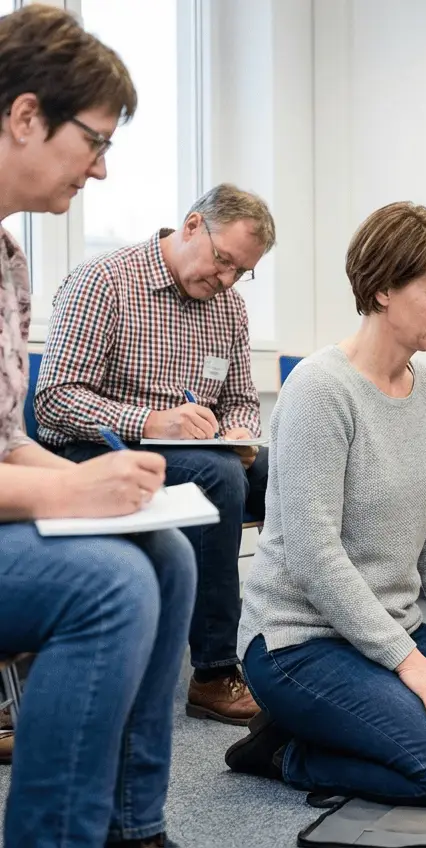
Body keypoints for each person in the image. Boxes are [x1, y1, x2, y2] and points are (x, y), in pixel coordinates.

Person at [224, 201, 426, 806]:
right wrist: (406, 660)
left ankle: (362, 720)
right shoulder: (320, 392)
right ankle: (284, 750)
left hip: (391, 629)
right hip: (300, 643)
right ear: (381, 292)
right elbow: (314, 555)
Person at [0, 6, 197, 847]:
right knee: (108, 586)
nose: (104, 170)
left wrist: (114, 484)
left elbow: (7, 434)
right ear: (25, 116)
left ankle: (130, 828)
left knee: (169, 553)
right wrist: (74, 485)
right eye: (96, 141)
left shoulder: (10, 260)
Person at [33, 183, 276, 726]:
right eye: (223, 261)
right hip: (95, 452)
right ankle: (214, 672)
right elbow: (55, 400)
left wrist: (237, 430)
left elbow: (240, 399)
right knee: (216, 478)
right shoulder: (105, 281)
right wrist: (150, 421)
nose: (227, 280)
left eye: (242, 271)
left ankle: (304, 651)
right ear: (192, 226)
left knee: (292, 475)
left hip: (198, 455)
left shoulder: (229, 308)